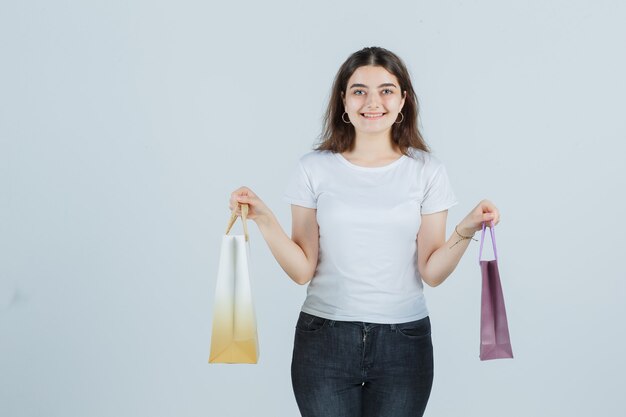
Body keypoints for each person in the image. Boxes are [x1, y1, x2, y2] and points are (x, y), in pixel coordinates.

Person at [228, 46, 501, 417]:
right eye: (359, 90)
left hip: (404, 343)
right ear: (343, 99)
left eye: (386, 90)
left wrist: (466, 229)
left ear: (403, 99)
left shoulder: (427, 171)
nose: (373, 102)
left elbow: (432, 273)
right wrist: (263, 218)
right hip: (324, 340)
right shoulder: (313, 168)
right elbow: (301, 270)